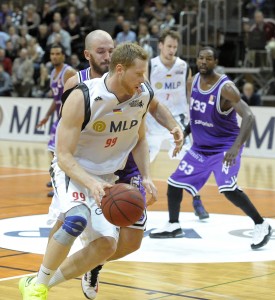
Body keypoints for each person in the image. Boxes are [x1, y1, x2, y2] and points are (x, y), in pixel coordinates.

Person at [19, 42, 158, 300]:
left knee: (107, 245)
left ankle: (36, 283)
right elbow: (63, 156)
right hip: (72, 169)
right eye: (139, 73)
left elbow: (139, 139)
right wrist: (90, 184)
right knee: (76, 218)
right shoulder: (82, 97)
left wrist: (147, 176)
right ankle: (37, 288)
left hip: (106, 176)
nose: (144, 79)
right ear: (120, 70)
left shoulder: (143, 94)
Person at [58, 29, 183, 300]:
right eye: (101, 51)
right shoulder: (77, 85)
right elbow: (65, 132)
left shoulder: (134, 79)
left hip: (125, 161)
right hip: (90, 161)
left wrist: (173, 125)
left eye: (110, 49)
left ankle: (93, 264)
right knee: (66, 221)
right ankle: (43, 277)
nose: (107, 54)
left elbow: (154, 105)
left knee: (132, 240)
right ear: (88, 54)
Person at [149, 46, 272, 251]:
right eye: (200, 58)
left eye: (208, 59)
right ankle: (173, 224)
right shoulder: (192, 82)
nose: (203, 62)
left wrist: (235, 147)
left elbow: (249, 116)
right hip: (201, 148)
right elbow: (197, 116)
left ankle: (261, 224)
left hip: (224, 147)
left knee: (228, 188)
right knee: (174, 183)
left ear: (215, 62)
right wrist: (185, 134)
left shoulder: (226, 88)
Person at [146, 29, 209, 220]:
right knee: (141, 163)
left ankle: (197, 200)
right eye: (169, 46)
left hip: (177, 121)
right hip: (155, 121)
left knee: (189, 162)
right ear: (160, 45)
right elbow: (144, 93)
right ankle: (136, 199)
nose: (172, 50)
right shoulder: (150, 65)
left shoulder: (184, 66)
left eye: (175, 47)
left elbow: (191, 93)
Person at [36, 43, 76, 197]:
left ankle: (62, 183)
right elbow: (56, 99)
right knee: (53, 151)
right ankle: (57, 178)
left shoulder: (69, 72)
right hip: (59, 117)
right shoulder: (53, 72)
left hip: (68, 117)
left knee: (59, 152)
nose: (54, 56)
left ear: (63, 56)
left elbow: (79, 94)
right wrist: (46, 116)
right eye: (52, 54)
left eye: (57, 53)